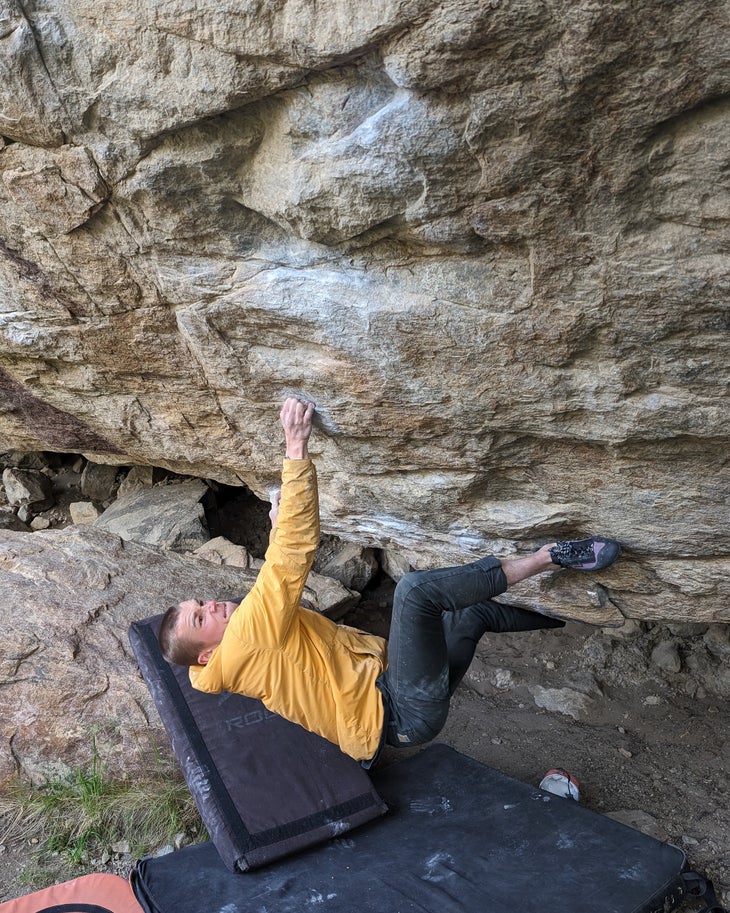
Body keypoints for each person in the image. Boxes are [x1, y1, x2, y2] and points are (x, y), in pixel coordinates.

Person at [158, 397, 621, 766]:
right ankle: (549, 557)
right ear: (207, 653)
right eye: (202, 616)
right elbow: (288, 562)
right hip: (399, 709)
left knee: (470, 611)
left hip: (399, 701)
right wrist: (295, 449)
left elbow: (273, 584)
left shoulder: (241, 650)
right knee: (415, 593)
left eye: (202, 601)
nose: (213, 605)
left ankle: (582, 617)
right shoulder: (241, 645)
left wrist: (280, 525)